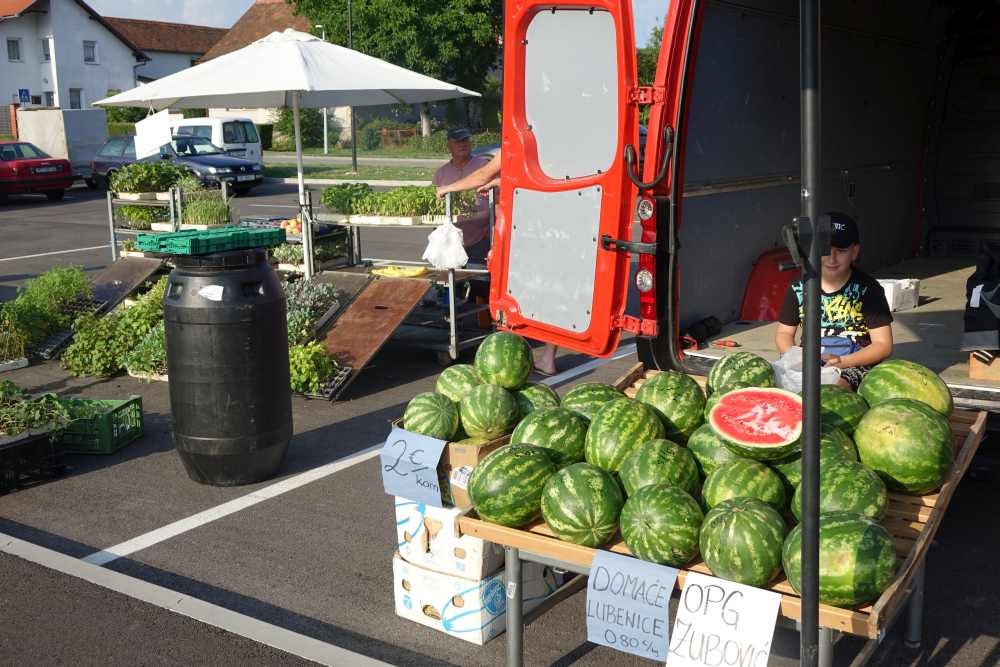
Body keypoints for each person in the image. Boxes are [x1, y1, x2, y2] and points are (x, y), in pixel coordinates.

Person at [436, 148, 559, 376]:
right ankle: (547, 359)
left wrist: (448, 188)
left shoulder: (517, 139)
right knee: (547, 290)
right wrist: (499, 182)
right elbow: (535, 178)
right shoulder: (549, 141)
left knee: (512, 288)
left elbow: (482, 174)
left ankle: (512, 358)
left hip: (529, 224)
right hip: (552, 222)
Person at [774, 212, 894, 391]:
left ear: (854, 252)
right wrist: (797, 356)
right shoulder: (799, 288)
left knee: (836, 390)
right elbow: (784, 333)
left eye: (842, 250)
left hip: (855, 362)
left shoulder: (869, 289)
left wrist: (843, 362)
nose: (832, 258)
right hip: (809, 360)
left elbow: (883, 345)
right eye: (825, 249)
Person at [432, 128, 492, 263]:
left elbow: (499, 199)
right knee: (454, 281)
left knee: (479, 280)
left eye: (465, 140)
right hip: (452, 242)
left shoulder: (484, 166)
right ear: (449, 146)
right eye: (457, 141)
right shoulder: (441, 173)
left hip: (481, 239)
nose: (462, 144)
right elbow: (435, 203)